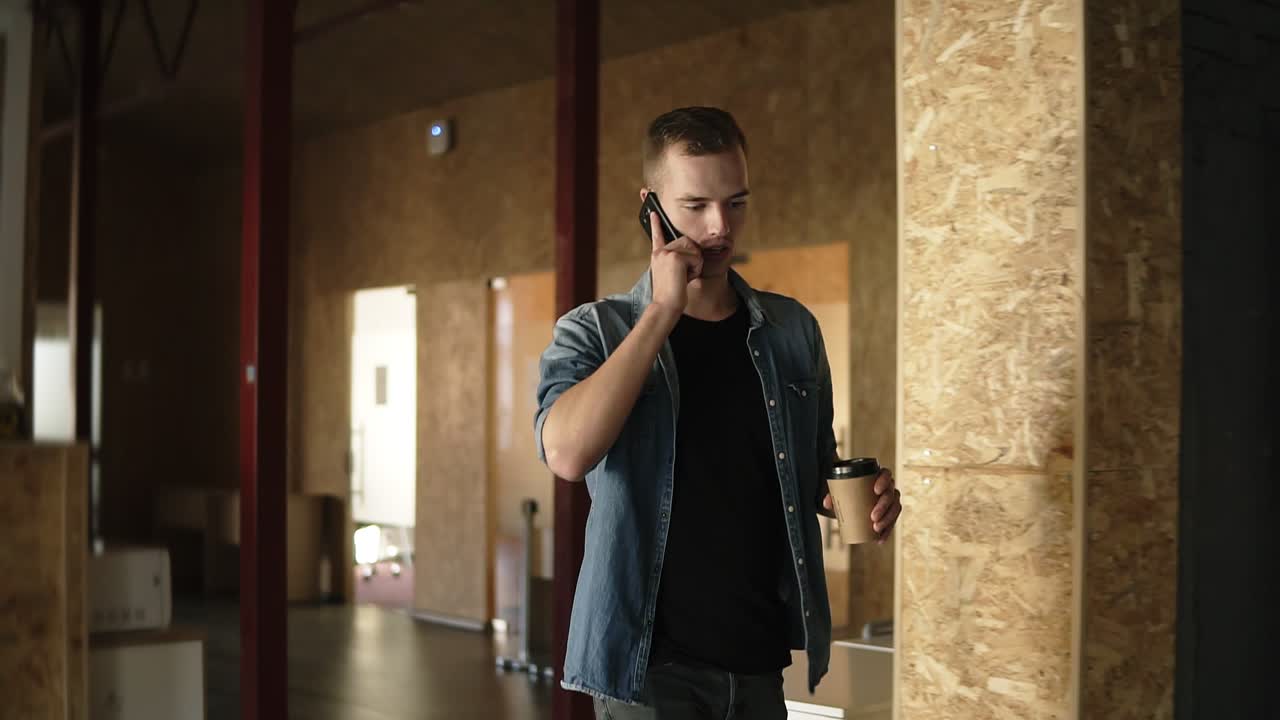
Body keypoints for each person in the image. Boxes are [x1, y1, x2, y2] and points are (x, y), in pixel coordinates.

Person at [535, 107, 902, 720]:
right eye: (696, 205)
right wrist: (661, 313)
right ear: (650, 206)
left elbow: (811, 474)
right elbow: (568, 455)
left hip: (758, 662)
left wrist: (853, 497)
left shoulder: (791, 331)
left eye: (736, 203)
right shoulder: (595, 331)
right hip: (651, 670)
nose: (718, 227)